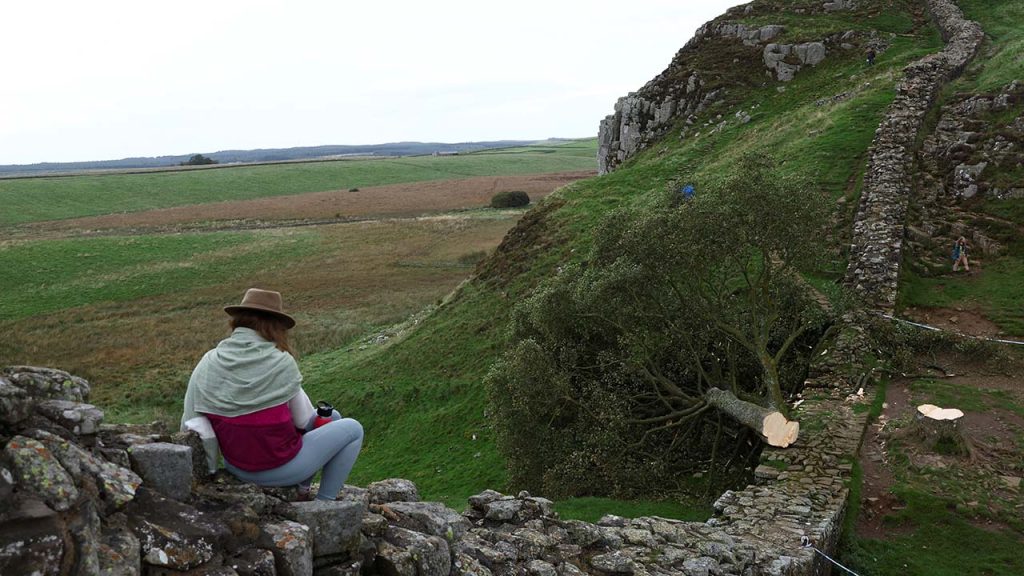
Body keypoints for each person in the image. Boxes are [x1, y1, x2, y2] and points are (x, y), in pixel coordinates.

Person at [181, 288, 363, 501]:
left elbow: (190, 419)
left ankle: (302, 490)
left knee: (332, 417)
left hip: (235, 466)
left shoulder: (209, 360)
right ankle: (325, 502)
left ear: (237, 322)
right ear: (276, 327)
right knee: (352, 428)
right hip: (279, 468)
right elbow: (305, 421)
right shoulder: (281, 361)